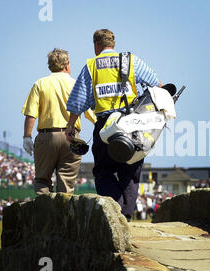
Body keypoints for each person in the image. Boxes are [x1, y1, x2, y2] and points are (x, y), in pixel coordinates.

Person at [65, 29, 162, 222]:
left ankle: (114, 214)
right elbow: (157, 85)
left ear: (96, 45)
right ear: (114, 44)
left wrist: (70, 126)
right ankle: (125, 216)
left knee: (103, 171)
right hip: (133, 124)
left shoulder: (91, 65)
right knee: (131, 173)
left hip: (105, 127)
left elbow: (78, 101)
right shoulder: (131, 60)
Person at [21, 48, 96, 195]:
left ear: (50, 66)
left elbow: (31, 114)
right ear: (67, 65)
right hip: (72, 137)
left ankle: (45, 215)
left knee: (42, 180)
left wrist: (27, 137)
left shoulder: (40, 84)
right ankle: (64, 216)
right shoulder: (77, 84)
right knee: (66, 182)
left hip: (47, 137)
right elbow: (91, 115)